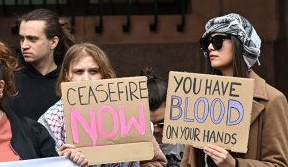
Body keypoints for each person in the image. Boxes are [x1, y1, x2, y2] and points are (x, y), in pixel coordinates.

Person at [181, 13, 288, 166]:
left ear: (239, 44)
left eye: (218, 41)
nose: (210, 47)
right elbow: (188, 160)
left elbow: (279, 164)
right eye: (207, 42)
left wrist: (235, 164)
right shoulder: (201, 95)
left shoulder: (272, 100)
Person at [38, 43, 168, 167]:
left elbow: (156, 163)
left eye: (93, 71)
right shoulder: (50, 120)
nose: (86, 79)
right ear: (67, 75)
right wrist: (63, 162)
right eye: (78, 72)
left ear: (104, 75)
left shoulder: (128, 111)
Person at [140, 67, 185, 167]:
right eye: (149, 125)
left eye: (162, 124)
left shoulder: (186, 139)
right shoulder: (130, 147)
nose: (156, 130)